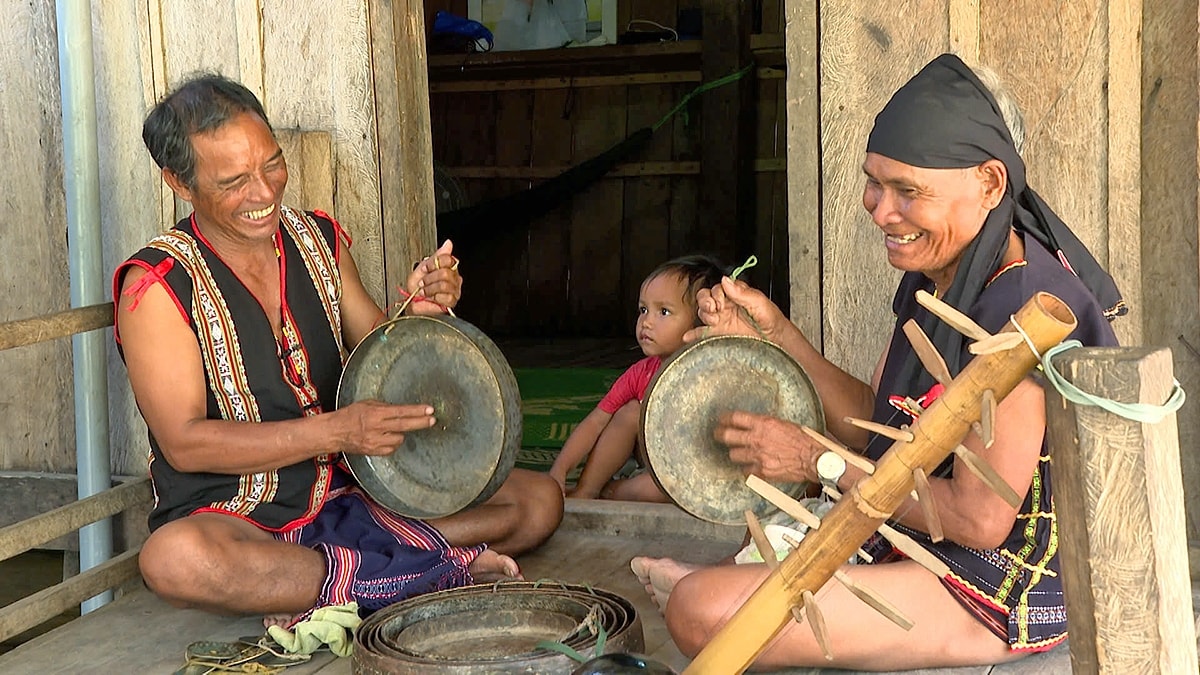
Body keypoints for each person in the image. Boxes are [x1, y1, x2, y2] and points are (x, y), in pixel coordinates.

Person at [630, 53, 1125, 670]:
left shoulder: (1025, 311)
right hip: (918, 541)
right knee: (715, 592)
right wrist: (779, 335)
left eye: (908, 191)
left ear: (990, 184)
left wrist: (819, 462)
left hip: (996, 589)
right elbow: (881, 424)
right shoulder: (943, 274)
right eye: (874, 181)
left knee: (698, 612)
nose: (880, 209)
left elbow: (978, 520)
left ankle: (708, 588)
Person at [113, 73, 564, 627]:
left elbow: (380, 353)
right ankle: (429, 573)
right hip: (239, 517)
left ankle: (351, 578)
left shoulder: (319, 240)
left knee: (538, 501)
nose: (264, 193)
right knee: (174, 561)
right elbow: (185, 445)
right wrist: (337, 431)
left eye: (271, 164)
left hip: (355, 494)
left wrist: (419, 312)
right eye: (234, 181)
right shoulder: (155, 285)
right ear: (179, 184)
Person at [548, 256, 727, 502]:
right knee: (631, 411)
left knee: (665, 490)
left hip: (692, 476)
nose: (647, 322)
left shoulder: (715, 374)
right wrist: (560, 469)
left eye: (663, 311)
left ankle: (613, 492)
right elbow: (595, 422)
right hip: (653, 469)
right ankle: (588, 489)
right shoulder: (640, 373)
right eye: (643, 310)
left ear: (701, 322)